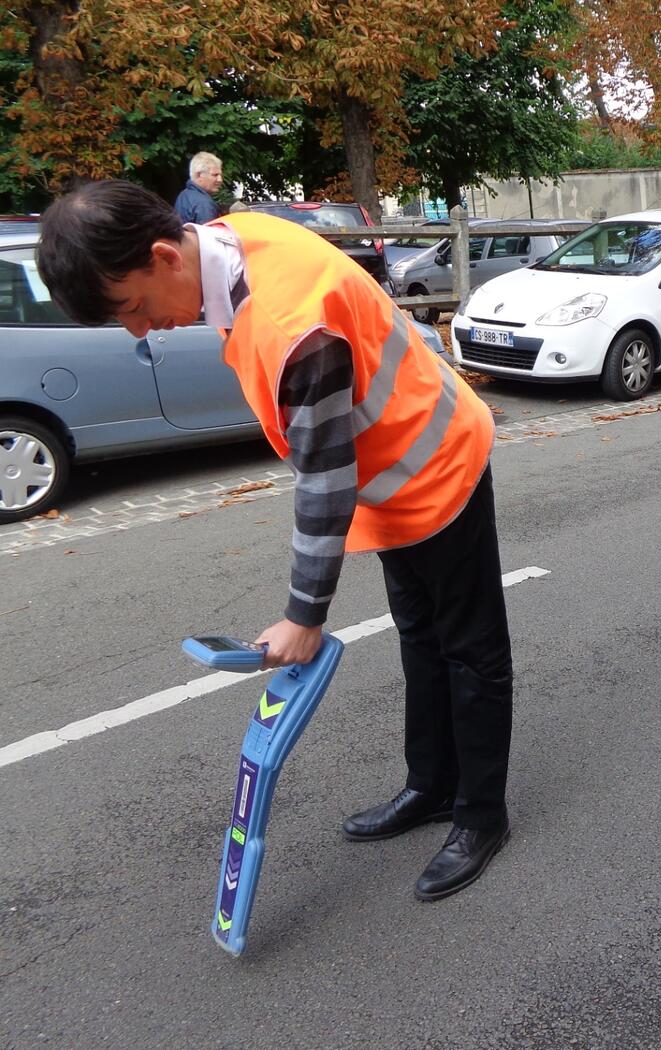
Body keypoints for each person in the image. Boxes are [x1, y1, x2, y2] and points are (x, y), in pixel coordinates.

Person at [37, 181, 513, 902]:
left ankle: (482, 816)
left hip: (436, 465)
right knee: (420, 636)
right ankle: (433, 787)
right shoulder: (231, 242)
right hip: (391, 481)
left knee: (469, 651)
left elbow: (325, 480)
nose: (142, 331)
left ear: (165, 254)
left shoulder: (296, 322)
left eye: (135, 307)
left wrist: (303, 617)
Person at [175, 152, 223, 224]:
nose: (220, 179)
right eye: (215, 175)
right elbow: (208, 234)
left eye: (220, 175)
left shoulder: (184, 195)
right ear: (199, 175)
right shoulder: (204, 204)